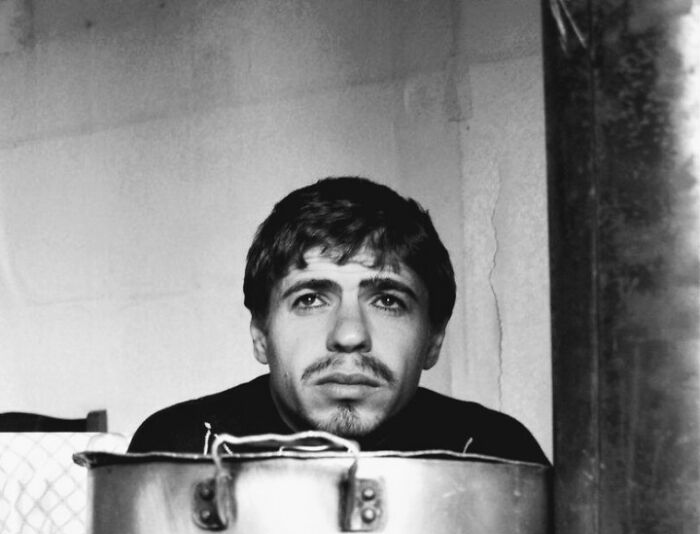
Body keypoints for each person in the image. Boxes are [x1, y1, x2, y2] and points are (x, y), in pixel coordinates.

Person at [129, 176, 547, 464]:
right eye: (310, 299)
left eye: (387, 300)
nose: (349, 334)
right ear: (260, 335)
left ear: (434, 339)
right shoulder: (180, 450)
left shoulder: (494, 454)